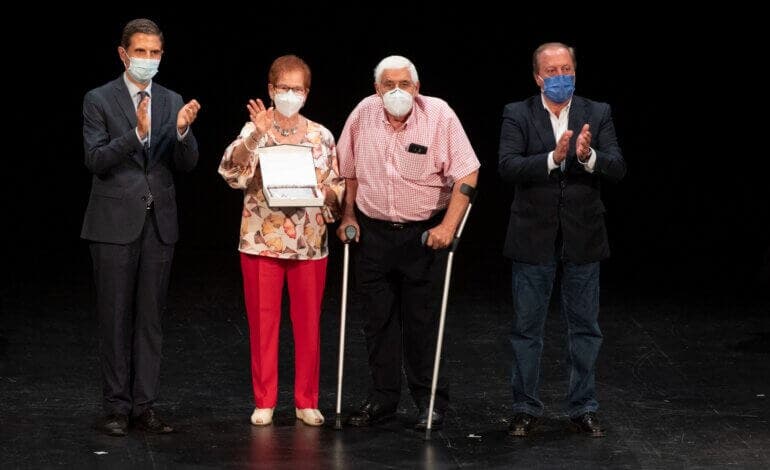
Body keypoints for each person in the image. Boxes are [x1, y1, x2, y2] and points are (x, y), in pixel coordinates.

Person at [336, 55, 480, 430]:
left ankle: (429, 401)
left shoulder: (439, 115)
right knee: (377, 322)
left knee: (421, 323)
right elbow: (347, 171)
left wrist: (449, 227)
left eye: (404, 84)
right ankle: (382, 399)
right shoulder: (363, 113)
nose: (396, 91)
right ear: (376, 88)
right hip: (373, 232)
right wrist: (348, 216)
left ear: (416, 88)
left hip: (423, 236)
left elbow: (468, 172)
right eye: (388, 84)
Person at [498, 42, 626, 437]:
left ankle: (583, 405)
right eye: (551, 71)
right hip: (533, 236)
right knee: (527, 328)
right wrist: (553, 158)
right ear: (538, 77)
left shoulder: (597, 112)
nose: (560, 77)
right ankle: (525, 407)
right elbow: (507, 166)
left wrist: (588, 157)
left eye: (566, 69)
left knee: (585, 327)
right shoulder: (517, 113)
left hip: (583, 236)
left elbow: (618, 167)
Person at [81, 18, 200, 437]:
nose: (148, 60)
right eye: (141, 52)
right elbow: (95, 160)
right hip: (113, 223)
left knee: (150, 318)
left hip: (158, 222)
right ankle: (116, 407)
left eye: (155, 53)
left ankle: (144, 406)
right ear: (123, 53)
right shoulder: (99, 99)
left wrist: (183, 130)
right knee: (115, 317)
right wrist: (136, 134)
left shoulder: (171, 100)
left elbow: (186, 164)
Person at [218, 55, 344, 427]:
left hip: (309, 242)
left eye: (298, 89)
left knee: (308, 324)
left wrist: (331, 196)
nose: (291, 94)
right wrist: (257, 134)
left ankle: (307, 400)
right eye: (284, 88)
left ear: (307, 92)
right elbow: (231, 171)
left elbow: (336, 183)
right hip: (262, 241)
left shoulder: (321, 135)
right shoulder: (253, 129)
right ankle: (265, 399)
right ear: (271, 90)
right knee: (263, 323)